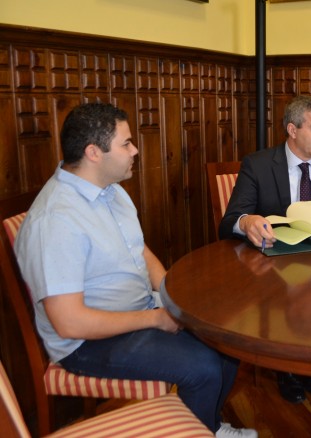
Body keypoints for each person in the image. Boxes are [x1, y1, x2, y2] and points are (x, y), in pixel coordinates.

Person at [14, 103, 256, 438]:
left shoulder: (110, 192)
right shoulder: (56, 220)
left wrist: (175, 299)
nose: (136, 150)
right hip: (87, 343)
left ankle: (208, 428)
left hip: (138, 309)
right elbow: (69, 323)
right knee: (203, 366)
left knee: (226, 340)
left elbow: (139, 250)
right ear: (93, 152)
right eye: (126, 143)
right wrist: (156, 318)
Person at [219, 95, 311, 404]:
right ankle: (286, 369)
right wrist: (247, 222)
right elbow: (230, 221)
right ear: (292, 129)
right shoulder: (258, 164)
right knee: (289, 302)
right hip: (271, 271)